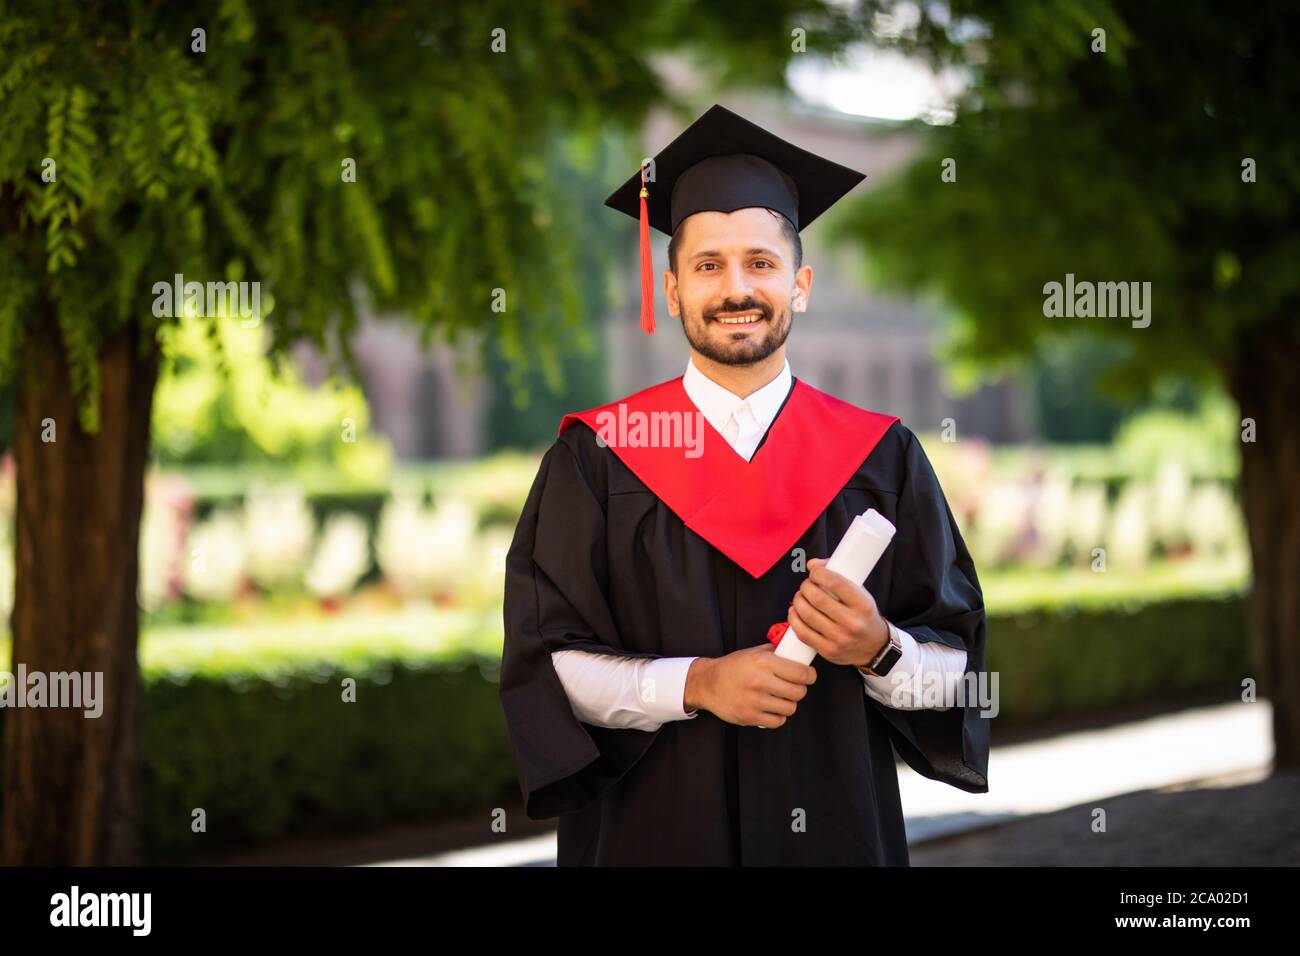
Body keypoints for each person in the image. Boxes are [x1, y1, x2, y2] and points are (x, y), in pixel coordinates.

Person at [499, 104, 990, 865]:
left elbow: (958, 678)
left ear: (800, 284)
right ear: (672, 290)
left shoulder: (882, 456)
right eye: (708, 264)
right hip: (649, 839)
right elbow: (549, 671)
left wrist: (879, 649)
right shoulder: (598, 458)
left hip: (834, 837)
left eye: (760, 263)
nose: (736, 288)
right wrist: (696, 684)